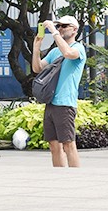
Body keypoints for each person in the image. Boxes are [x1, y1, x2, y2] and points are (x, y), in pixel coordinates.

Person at [31, 16, 87, 167]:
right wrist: (36, 46)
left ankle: (76, 178)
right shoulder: (55, 52)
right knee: (54, 145)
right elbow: (37, 68)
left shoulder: (78, 48)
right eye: (59, 26)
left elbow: (68, 53)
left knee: (68, 144)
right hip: (51, 102)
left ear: (75, 30)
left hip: (65, 104)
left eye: (64, 26)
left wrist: (53, 31)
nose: (61, 28)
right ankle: (59, 177)